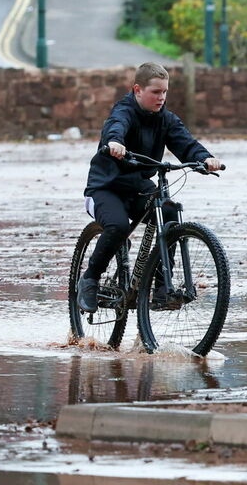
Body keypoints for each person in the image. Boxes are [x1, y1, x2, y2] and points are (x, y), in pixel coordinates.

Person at [77, 62, 222, 313]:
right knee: (118, 226)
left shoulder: (165, 119)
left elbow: (185, 142)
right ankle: (89, 279)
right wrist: (114, 142)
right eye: (156, 92)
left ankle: (162, 289)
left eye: (165, 92)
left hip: (138, 186)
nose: (161, 98)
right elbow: (116, 127)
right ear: (137, 90)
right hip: (105, 188)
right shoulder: (124, 111)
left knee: (168, 212)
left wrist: (205, 159)